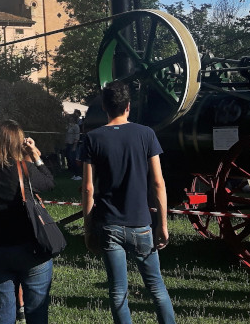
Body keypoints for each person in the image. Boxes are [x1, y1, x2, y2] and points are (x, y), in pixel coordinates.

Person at [81, 81, 176, 324]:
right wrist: (162, 224)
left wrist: (88, 227)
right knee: (156, 288)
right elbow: (158, 183)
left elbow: (89, 187)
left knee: (118, 293)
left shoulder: (92, 138)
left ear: (104, 106)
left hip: (109, 225)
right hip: (142, 224)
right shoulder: (146, 134)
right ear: (128, 106)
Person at [0, 121, 55, 324]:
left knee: (3, 312)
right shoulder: (24, 170)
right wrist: (35, 156)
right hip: (32, 246)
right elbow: (49, 182)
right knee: (37, 311)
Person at [65, 112, 82, 180]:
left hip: (73, 144)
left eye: (71, 118)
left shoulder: (76, 126)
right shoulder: (68, 126)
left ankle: (78, 174)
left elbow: (77, 137)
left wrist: (74, 146)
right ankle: (74, 174)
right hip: (68, 144)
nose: (70, 119)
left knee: (74, 160)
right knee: (70, 160)